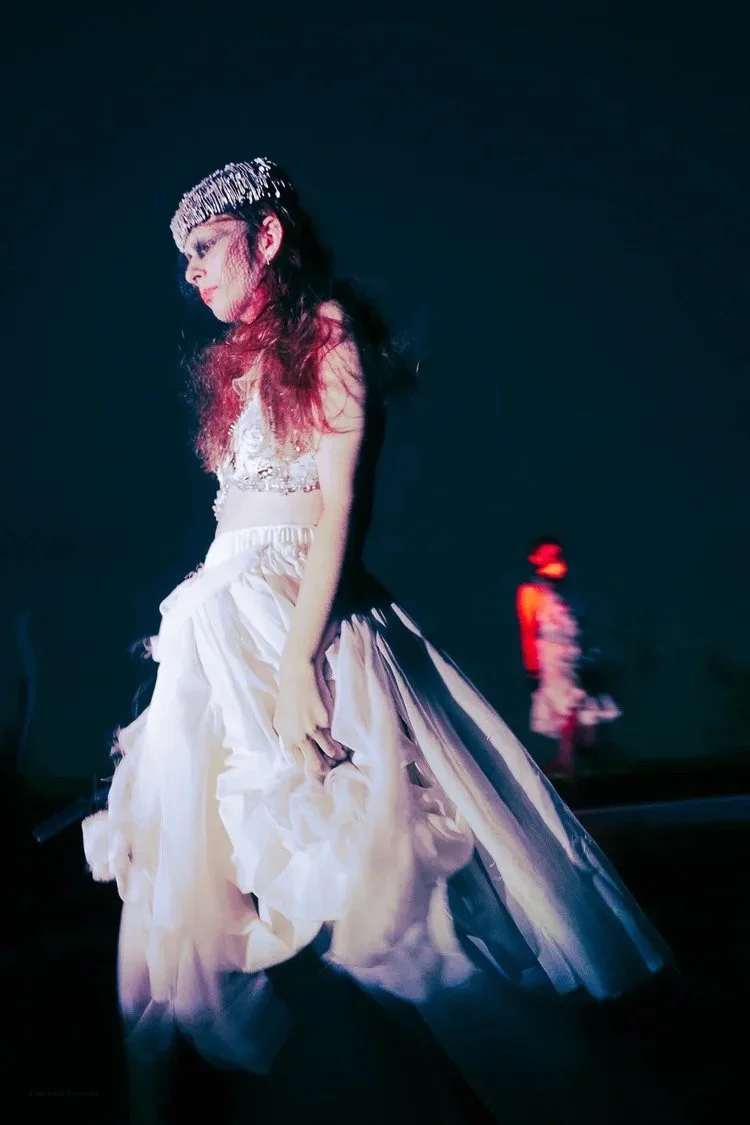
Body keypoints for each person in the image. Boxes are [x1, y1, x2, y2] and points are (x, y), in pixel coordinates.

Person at [82, 159, 669, 1083]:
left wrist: (293, 668)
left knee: (367, 872)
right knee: (194, 883)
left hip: (291, 620)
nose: (190, 272)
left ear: (266, 237)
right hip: (217, 618)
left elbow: (338, 511)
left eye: (205, 247)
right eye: (183, 257)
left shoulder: (327, 333)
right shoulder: (242, 367)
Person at [516, 538, 621, 779]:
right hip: (552, 655)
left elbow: (581, 622)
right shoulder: (531, 592)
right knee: (567, 704)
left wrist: (589, 653)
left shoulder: (566, 591)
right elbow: (529, 629)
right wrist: (532, 667)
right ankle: (568, 758)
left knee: (583, 704)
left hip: (575, 653)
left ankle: (580, 756)